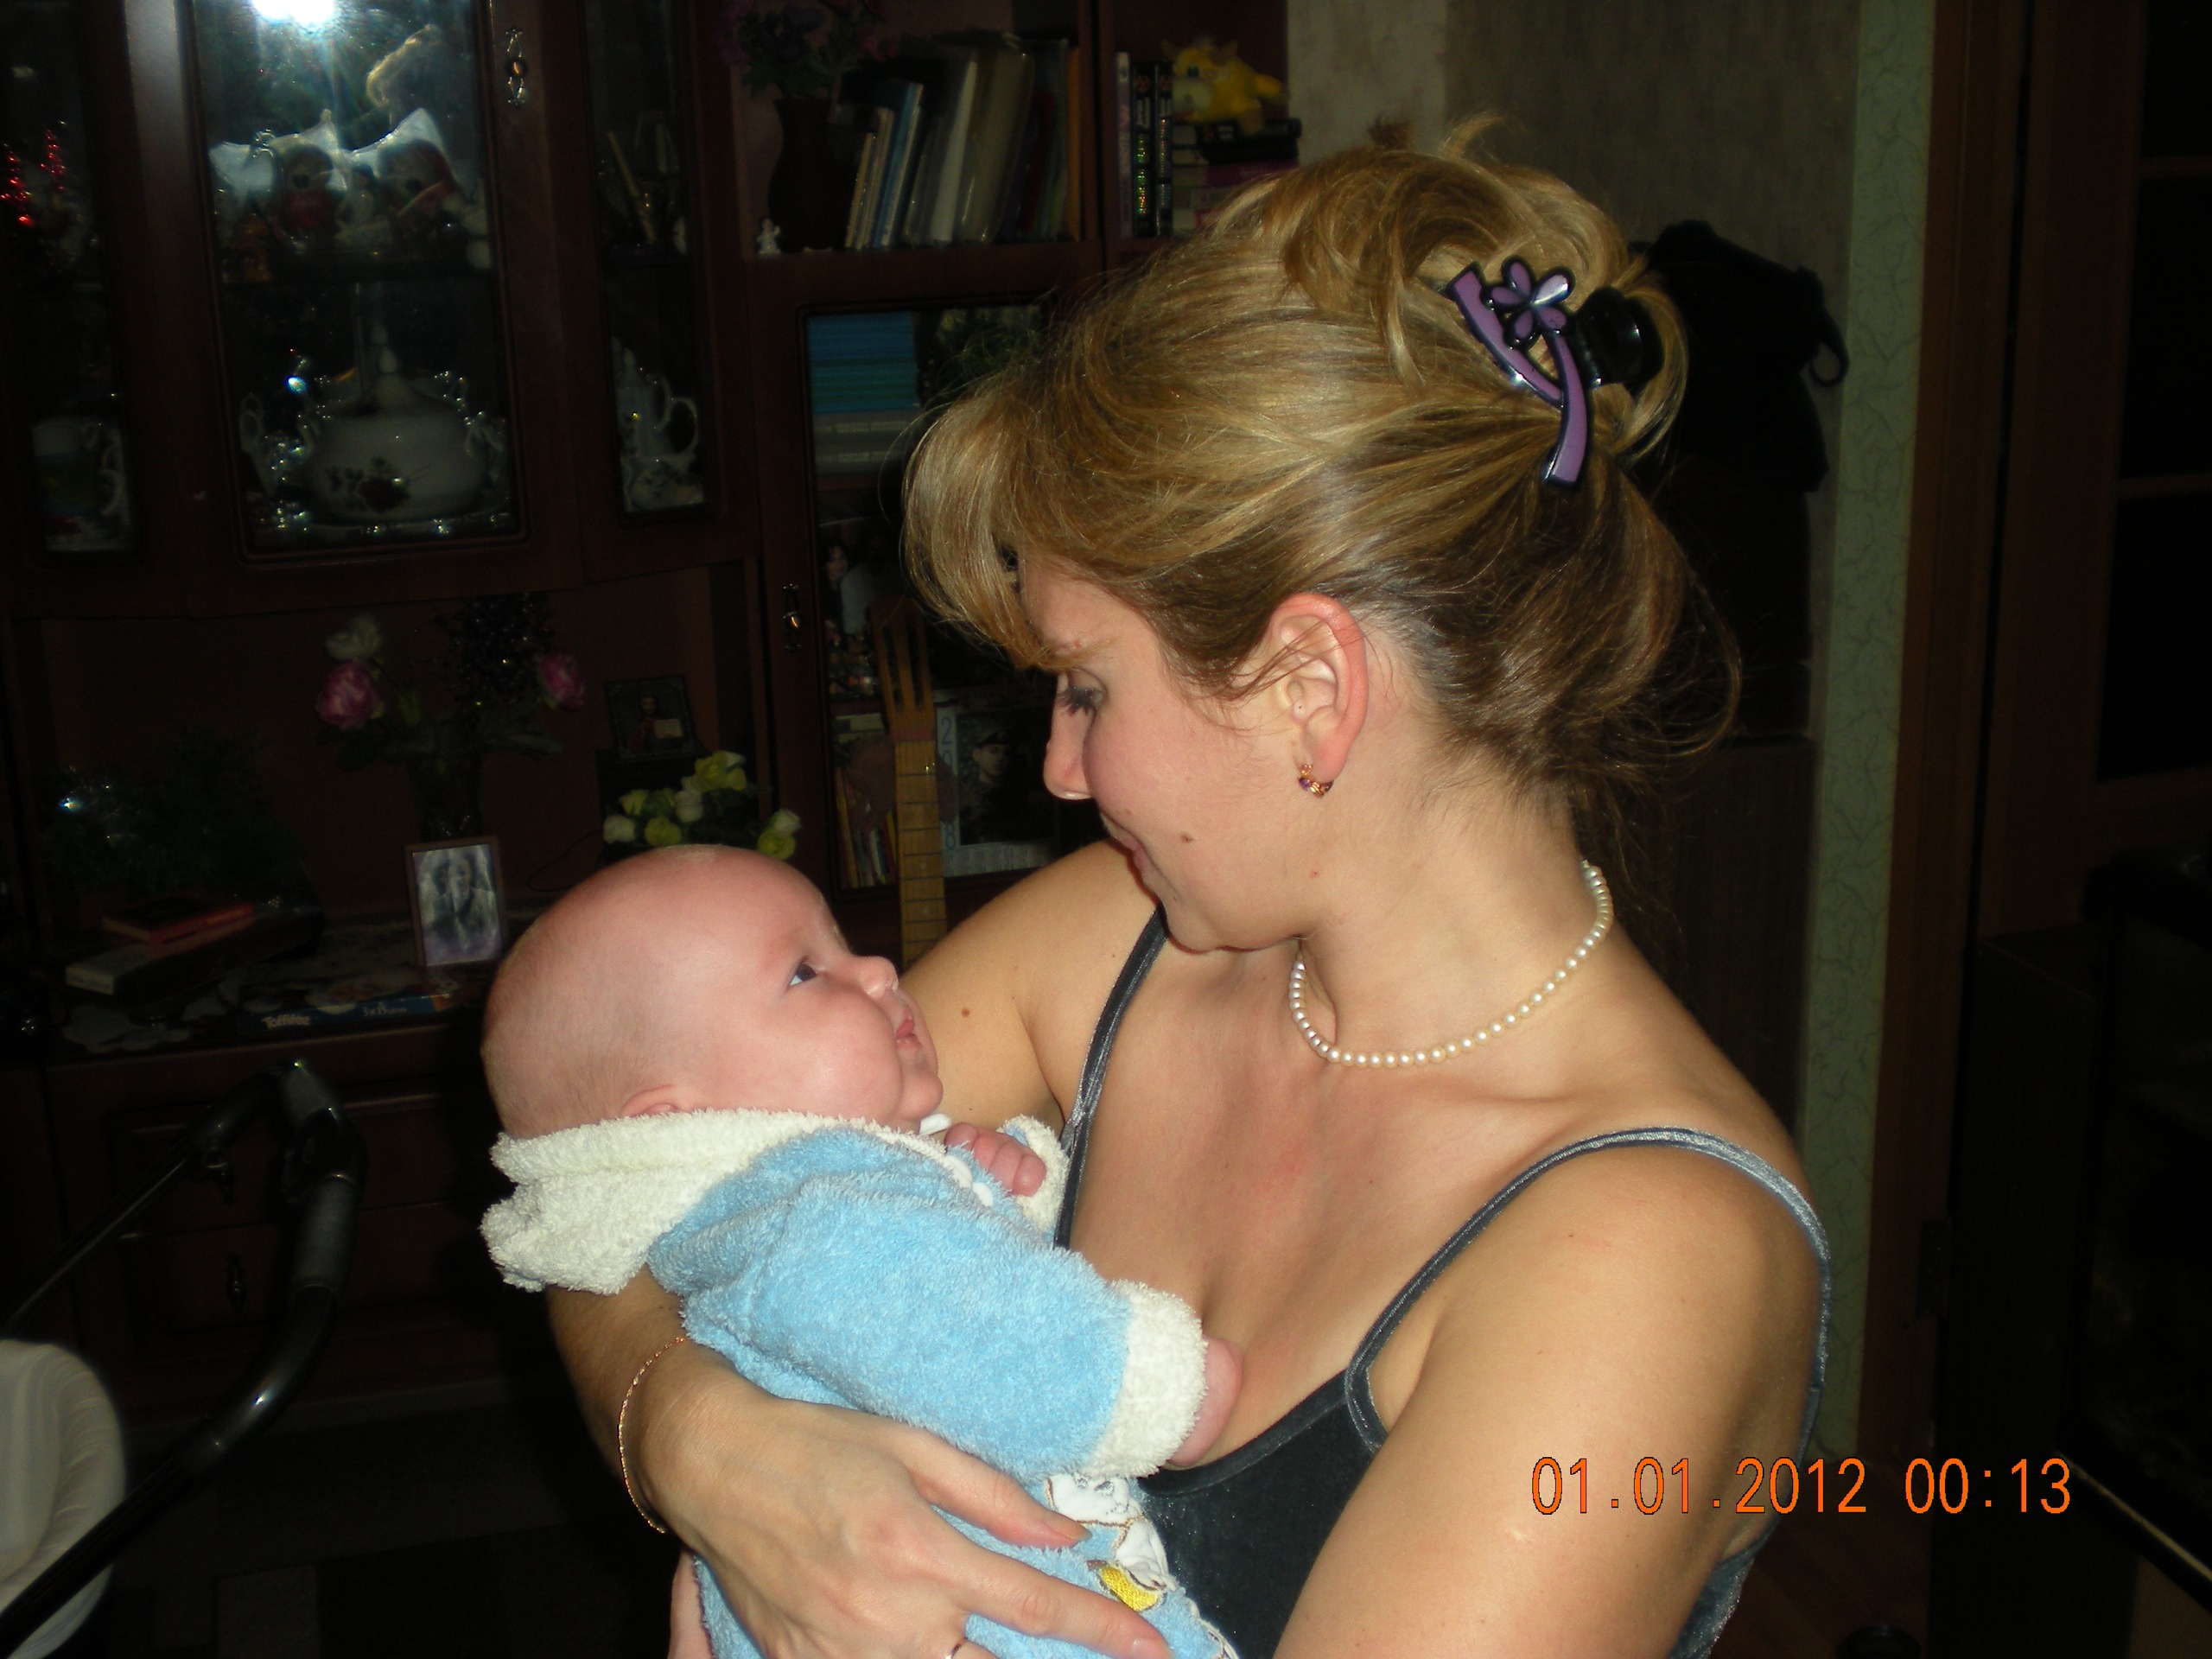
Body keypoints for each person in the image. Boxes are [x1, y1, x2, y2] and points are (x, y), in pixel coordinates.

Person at [541, 125, 1827, 1659]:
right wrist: (707, 1447)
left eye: (1088, 689)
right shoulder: (1111, 947)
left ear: (1309, 686)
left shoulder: (1644, 1262)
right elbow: (615, 1184)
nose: (1056, 771)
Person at [480, 847, 1243, 1659]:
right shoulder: (816, 1222)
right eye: (804, 973)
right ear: (674, 1120)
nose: (879, 969)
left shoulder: (758, 1219)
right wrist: (1146, 1387)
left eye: (841, 944)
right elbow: (970, 1328)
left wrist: (985, 1175)